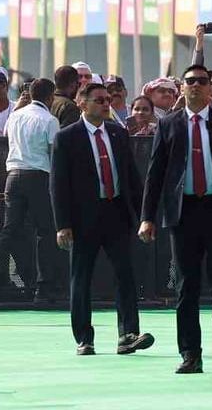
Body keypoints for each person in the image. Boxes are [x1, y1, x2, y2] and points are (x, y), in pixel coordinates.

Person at [140, 64, 212, 374]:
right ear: (182, 88)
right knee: (186, 286)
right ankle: (190, 353)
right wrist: (147, 217)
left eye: (202, 82)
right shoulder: (169, 125)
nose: (196, 86)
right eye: (190, 81)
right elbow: (155, 173)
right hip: (183, 213)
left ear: (211, 90)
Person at [51, 82, 154, 356]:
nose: (106, 104)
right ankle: (84, 338)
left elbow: (132, 177)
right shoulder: (67, 138)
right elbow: (58, 185)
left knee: (126, 275)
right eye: (99, 100)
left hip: (117, 213)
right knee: (81, 278)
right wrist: (63, 225)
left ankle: (128, 334)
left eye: (108, 99)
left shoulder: (118, 133)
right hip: (83, 219)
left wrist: (145, 215)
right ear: (82, 103)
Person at [0, 78, 63, 310]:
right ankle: (44, 288)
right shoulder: (49, 120)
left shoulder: (15, 115)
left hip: (13, 176)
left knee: (10, 229)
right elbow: (54, 153)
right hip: (39, 176)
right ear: (51, 96)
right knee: (46, 232)